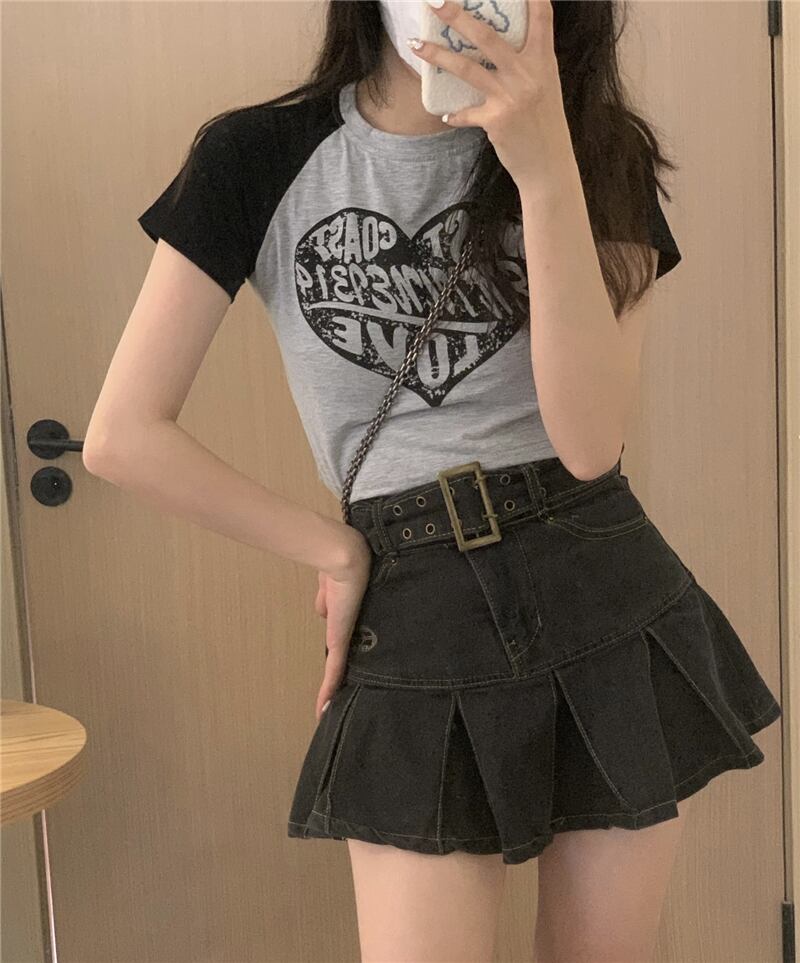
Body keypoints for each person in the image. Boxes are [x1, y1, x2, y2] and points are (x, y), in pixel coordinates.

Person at [84, 1, 783, 960]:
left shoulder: (595, 151)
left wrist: (544, 164)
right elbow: (122, 434)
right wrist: (335, 548)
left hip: (598, 584)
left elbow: (590, 441)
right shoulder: (258, 154)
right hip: (410, 599)